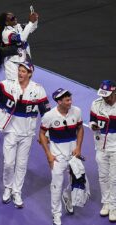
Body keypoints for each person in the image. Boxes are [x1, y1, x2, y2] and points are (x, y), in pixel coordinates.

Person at [0, 62, 50, 207]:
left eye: (23, 71)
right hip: (11, 131)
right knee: (8, 163)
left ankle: (16, 191)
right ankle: (7, 187)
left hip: (27, 133)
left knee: (21, 165)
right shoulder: (7, 84)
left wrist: (46, 133)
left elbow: (46, 114)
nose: (20, 73)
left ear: (29, 74)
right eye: (19, 70)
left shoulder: (38, 90)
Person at [39, 88, 84, 225]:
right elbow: (41, 134)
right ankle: (56, 214)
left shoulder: (76, 111)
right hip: (57, 157)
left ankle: (68, 198)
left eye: (70, 99)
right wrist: (49, 155)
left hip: (73, 156)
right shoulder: (49, 116)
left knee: (75, 182)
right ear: (59, 102)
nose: (70, 102)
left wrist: (78, 147)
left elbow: (80, 129)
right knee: (56, 186)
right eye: (67, 100)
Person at [90, 80, 116, 222]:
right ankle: (105, 203)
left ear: (114, 91)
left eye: (107, 95)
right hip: (100, 147)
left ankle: (114, 206)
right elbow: (92, 120)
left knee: (114, 179)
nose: (105, 98)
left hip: (115, 148)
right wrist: (93, 125)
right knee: (103, 177)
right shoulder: (96, 104)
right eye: (103, 95)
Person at [0, 10, 38, 80]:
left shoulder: (18, 26)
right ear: (7, 22)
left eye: (15, 17)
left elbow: (32, 28)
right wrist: (30, 22)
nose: (15, 19)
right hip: (12, 65)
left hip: (23, 62)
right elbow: (22, 38)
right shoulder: (7, 33)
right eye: (12, 18)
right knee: (13, 87)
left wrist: (35, 19)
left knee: (24, 86)